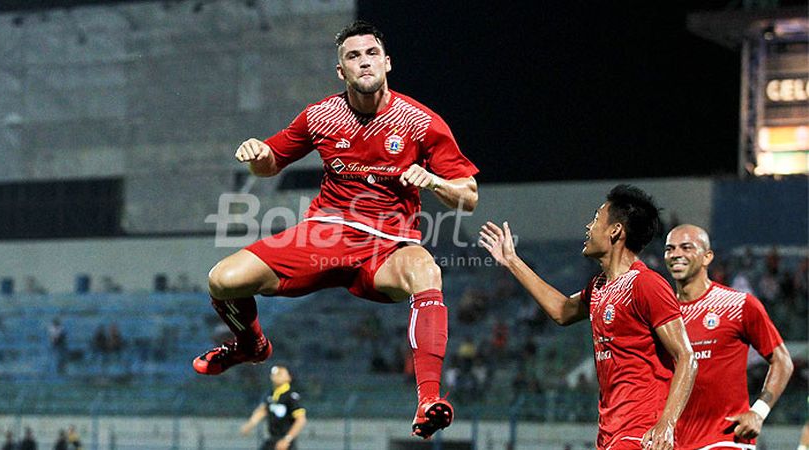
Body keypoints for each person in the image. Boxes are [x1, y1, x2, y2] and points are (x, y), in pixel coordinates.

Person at [192, 20, 479, 439]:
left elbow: (468, 196)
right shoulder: (321, 116)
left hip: (390, 245)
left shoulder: (422, 123)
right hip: (324, 233)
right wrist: (256, 154)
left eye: (371, 54)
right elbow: (271, 160)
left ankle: (429, 399)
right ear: (341, 71)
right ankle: (251, 346)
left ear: (387, 62)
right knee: (222, 279)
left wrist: (434, 182)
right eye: (353, 56)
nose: (364, 62)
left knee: (428, 272)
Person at [479, 184, 697, 450]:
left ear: (616, 230)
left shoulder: (646, 284)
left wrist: (667, 423)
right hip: (609, 434)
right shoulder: (598, 287)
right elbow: (561, 310)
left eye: (596, 219)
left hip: (642, 432)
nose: (588, 227)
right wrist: (512, 260)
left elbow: (686, 356)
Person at [663, 224, 793, 450]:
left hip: (727, 440)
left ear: (707, 257)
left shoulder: (738, 305)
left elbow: (782, 361)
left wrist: (759, 412)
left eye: (686, 247)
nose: (676, 254)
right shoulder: (662, 316)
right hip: (675, 443)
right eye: (669, 249)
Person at [240, 366, 307, 450]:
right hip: (273, 438)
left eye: (280, 373)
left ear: (289, 377)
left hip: (286, 441)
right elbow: (262, 410)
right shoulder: (270, 394)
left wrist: (287, 439)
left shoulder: (291, 396)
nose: (276, 375)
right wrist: (250, 424)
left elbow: (301, 420)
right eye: (274, 373)